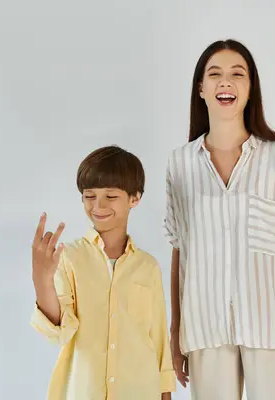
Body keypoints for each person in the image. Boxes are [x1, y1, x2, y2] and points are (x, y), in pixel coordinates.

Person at [164, 39, 275, 399]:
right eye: (214, 74)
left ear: (249, 88)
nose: (225, 82)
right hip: (206, 328)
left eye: (237, 74)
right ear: (201, 88)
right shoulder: (180, 164)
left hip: (274, 326)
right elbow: (180, 251)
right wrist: (176, 330)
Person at [30, 146, 175, 400]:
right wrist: (42, 281)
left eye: (110, 196)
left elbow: (159, 339)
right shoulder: (69, 257)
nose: (98, 206)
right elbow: (60, 330)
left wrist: (165, 393)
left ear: (134, 198)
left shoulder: (147, 266)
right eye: (89, 195)